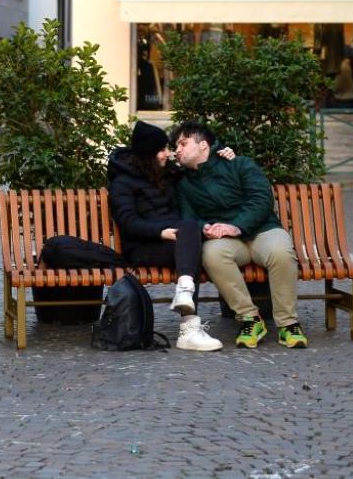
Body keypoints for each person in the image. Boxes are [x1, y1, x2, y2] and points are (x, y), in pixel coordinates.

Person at [172, 121, 306, 350]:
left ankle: (288, 324)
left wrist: (236, 226)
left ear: (204, 146)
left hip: (262, 230)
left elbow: (261, 198)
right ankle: (250, 319)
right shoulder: (184, 183)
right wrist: (205, 227)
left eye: (183, 143)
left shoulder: (239, 164)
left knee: (281, 252)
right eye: (176, 146)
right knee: (212, 255)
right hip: (226, 240)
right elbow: (188, 216)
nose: (178, 150)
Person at [107, 121, 225, 351]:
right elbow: (128, 222)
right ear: (148, 155)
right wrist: (161, 232)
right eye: (162, 150)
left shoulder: (167, 174)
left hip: (178, 241)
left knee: (189, 231)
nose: (167, 154)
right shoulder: (122, 183)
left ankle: (185, 292)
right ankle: (188, 327)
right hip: (143, 248)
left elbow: (199, 164)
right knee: (190, 241)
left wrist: (221, 152)